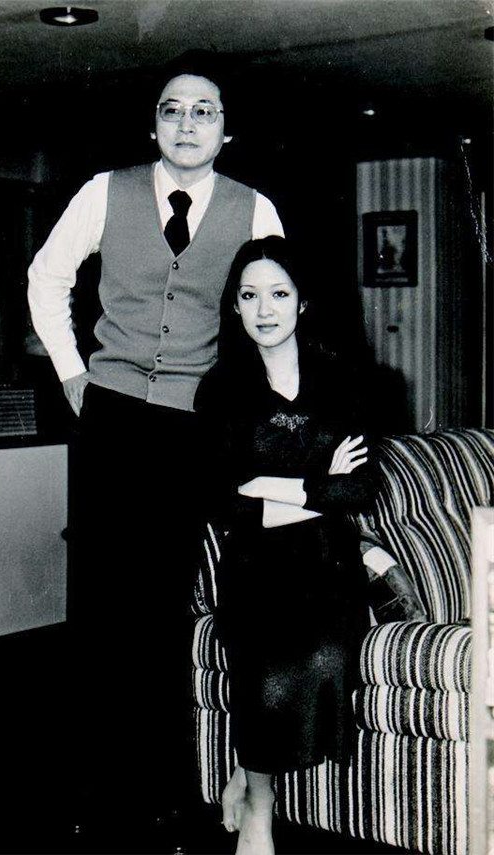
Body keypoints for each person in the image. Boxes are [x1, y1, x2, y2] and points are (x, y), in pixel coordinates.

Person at [27, 54, 284, 833]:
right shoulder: (104, 192)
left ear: (226, 132)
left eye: (204, 111)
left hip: (195, 426)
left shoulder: (255, 208)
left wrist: (255, 411)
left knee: (169, 610)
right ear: (153, 126)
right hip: (111, 420)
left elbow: (270, 315)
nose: (187, 123)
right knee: (103, 607)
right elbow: (46, 277)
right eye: (173, 109)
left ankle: (163, 797)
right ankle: (97, 797)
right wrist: (73, 373)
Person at [195, 236, 376, 855]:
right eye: (249, 296)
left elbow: (359, 490)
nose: (264, 309)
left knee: (319, 647)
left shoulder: (344, 382)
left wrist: (271, 485)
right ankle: (259, 805)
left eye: (278, 293)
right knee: (266, 650)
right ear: (235, 307)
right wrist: (320, 483)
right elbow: (223, 501)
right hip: (255, 565)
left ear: (302, 302)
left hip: (328, 562)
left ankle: (247, 769)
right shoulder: (221, 390)